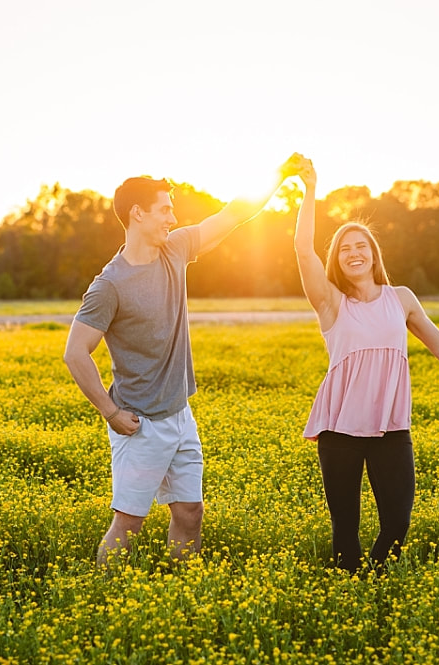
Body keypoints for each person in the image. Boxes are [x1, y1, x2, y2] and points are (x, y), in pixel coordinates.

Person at [65, 155, 305, 566]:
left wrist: (280, 177)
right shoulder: (110, 285)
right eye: (165, 210)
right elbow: (75, 353)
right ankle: (100, 593)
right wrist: (110, 412)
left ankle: (182, 590)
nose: (172, 218)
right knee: (128, 524)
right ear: (137, 214)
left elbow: (233, 216)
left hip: (180, 414)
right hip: (139, 424)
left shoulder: (174, 250)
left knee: (191, 513)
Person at [290, 158, 439, 574]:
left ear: (374, 255)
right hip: (339, 429)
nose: (354, 254)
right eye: (345, 249)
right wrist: (309, 190)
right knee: (346, 527)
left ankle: (374, 581)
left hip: (391, 428)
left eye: (362, 247)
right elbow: (303, 250)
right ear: (336, 260)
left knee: (397, 521)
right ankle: (350, 595)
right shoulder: (331, 303)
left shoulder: (402, 299)